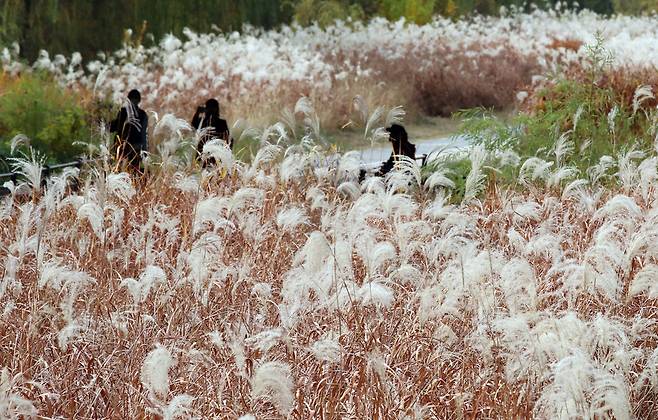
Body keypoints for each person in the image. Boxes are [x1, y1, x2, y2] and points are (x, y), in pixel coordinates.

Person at [109, 89, 148, 172]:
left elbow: (115, 127)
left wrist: (106, 126)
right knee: (134, 170)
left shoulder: (123, 111)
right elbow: (144, 134)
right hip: (136, 148)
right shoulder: (143, 114)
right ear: (139, 100)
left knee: (120, 170)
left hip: (122, 146)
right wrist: (144, 151)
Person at [191, 98, 231, 166]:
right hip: (209, 155)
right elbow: (194, 124)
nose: (211, 110)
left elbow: (226, 138)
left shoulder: (220, 122)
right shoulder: (203, 122)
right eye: (209, 108)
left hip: (215, 155)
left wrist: (198, 112)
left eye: (212, 108)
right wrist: (198, 112)